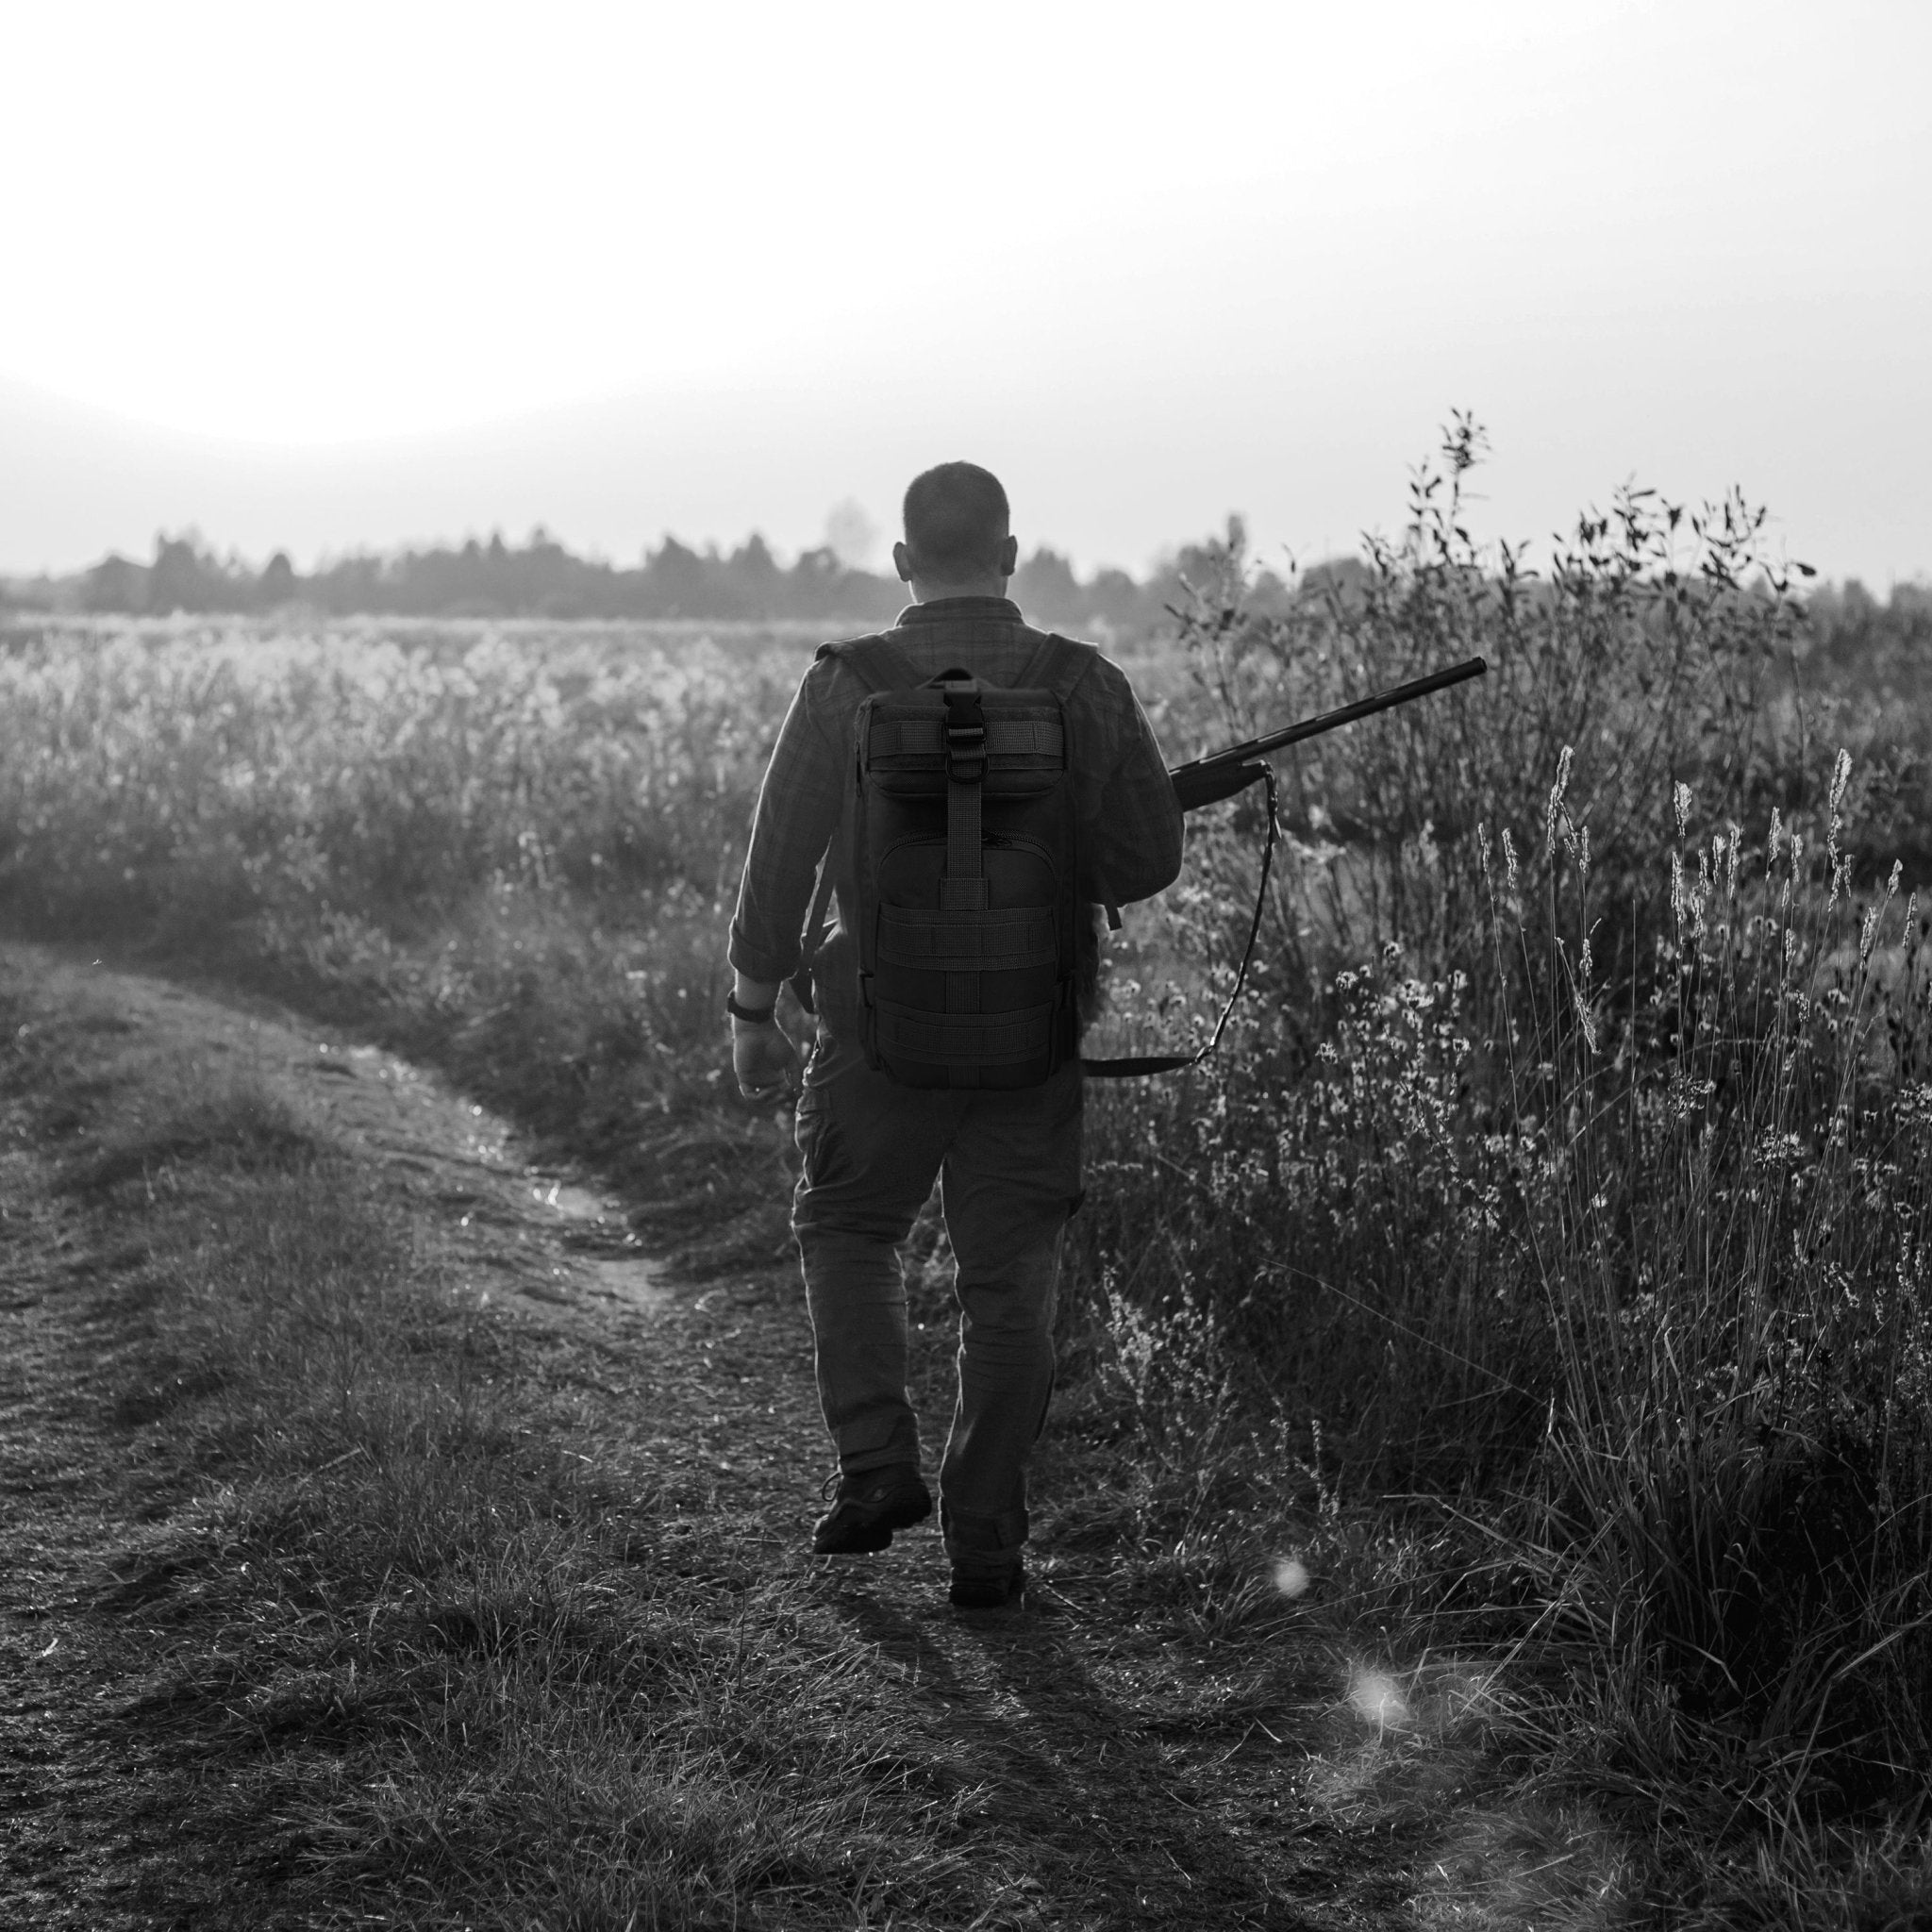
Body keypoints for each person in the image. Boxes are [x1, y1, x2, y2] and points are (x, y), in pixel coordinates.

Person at [725, 460, 1183, 1609]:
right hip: (1031, 1036)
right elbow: (1146, 857)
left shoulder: (843, 682)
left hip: (872, 1028)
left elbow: (777, 860)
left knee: (845, 1224)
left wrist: (750, 1008)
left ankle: (876, 1465)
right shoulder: (1083, 681)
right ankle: (984, 1542)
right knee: (1009, 1281)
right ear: (1011, 554)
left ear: (900, 561)